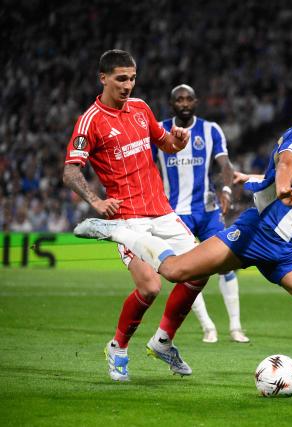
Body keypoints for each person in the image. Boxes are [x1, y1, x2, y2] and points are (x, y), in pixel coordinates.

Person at [74, 83, 292, 400]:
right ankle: (119, 232)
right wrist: (285, 184)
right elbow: (288, 160)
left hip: (285, 249)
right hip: (259, 234)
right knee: (175, 271)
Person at [63, 49, 205, 382]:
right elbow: (70, 170)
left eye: (132, 78)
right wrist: (95, 201)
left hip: (163, 212)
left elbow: (165, 144)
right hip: (128, 220)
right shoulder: (90, 121)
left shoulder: (141, 108)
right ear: (103, 78)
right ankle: (118, 347)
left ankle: (163, 341)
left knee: (200, 271)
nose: (128, 85)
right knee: (151, 286)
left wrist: (178, 141)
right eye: (121, 78)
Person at [154, 84, 249, 344]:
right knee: (190, 272)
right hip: (175, 213)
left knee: (225, 264)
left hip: (207, 210)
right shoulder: (158, 130)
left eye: (188, 99)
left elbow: (225, 165)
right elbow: (147, 167)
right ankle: (208, 327)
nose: (184, 103)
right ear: (171, 104)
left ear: (196, 102)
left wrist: (227, 190)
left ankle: (235, 327)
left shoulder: (210, 130)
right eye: (179, 99)